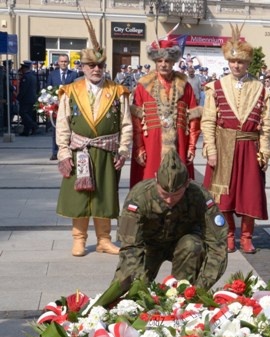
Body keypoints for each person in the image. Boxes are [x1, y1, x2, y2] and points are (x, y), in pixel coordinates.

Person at [55, 34, 132, 257]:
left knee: (104, 196)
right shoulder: (70, 91)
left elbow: (126, 124)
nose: (96, 69)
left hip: (106, 151)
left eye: (100, 65)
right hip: (80, 151)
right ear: (82, 66)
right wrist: (63, 152)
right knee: (79, 197)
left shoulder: (118, 91)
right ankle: (79, 240)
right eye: (91, 65)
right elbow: (63, 124)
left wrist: (124, 149)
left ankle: (104, 240)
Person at [113, 150, 228, 293]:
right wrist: (138, 282)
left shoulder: (199, 196)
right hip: (148, 248)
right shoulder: (139, 196)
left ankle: (181, 295)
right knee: (128, 291)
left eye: (176, 195)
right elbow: (130, 247)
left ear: (187, 183)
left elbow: (217, 246)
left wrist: (199, 289)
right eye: (164, 194)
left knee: (192, 245)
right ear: (156, 179)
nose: (169, 200)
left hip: (184, 247)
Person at [202, 27, 270, 254]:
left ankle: (247, 237)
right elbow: (208, 121)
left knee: (250, 194)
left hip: (249, 147)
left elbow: (267, 125)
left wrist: (264, 151)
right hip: (224, 147)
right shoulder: (216, 87)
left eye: (240, 62)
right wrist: (211, 150)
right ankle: (229, 235)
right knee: (226, 195)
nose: (236, 66)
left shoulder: (261, 89)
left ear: (248, 63)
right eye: (232, 61)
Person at [130, 38, 201, 188]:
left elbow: (194, 118)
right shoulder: (143, 85)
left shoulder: (185, 86)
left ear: (173, 62)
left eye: (167, 61)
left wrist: (192, 146)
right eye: (160, 60)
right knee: (149, 185)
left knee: (178, 185)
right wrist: (139, 147)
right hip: (151, 145)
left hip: (180, 143)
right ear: (155, 62)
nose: (163, 64)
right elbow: (136, 121)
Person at [46, 54, 78, 160]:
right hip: (56, 107)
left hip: (70, 106)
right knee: (56, 129)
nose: (63, 63)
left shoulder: (74, 75)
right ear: (58, 62)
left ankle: (69, 151)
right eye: (62, 61)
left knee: (70, 129)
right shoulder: (52, 74)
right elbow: (48, 90)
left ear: (68, 63)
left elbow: (77, 90)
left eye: (65, 61)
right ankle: (55, 152)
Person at [17, 60, 39, 137]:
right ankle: (26, 131)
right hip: (32, 98)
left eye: (22, 68)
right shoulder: (33, 76)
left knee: (23, 113)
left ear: (25, 68)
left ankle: (33, 125)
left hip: (26, 99)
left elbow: (23, 89)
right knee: (29, 114)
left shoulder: (26, 77)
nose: (21, 70)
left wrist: (19, 97)